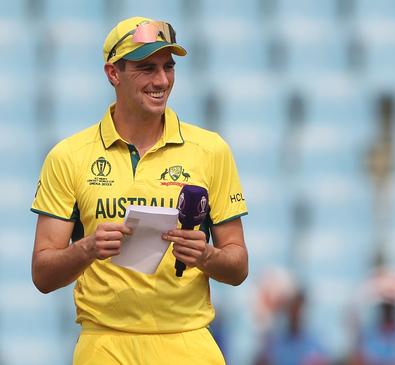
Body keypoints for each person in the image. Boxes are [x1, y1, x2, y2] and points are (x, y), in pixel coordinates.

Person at [30, 17, 248, 365]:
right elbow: (42, 274)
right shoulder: (68, 156)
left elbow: (238, 267)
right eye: (146, 68)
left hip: (188, 340)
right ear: (113, 73)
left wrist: (206, 255)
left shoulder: (211, 150)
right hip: (105, 344)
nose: (161, 80)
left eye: (168, 67)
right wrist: (87, 248)